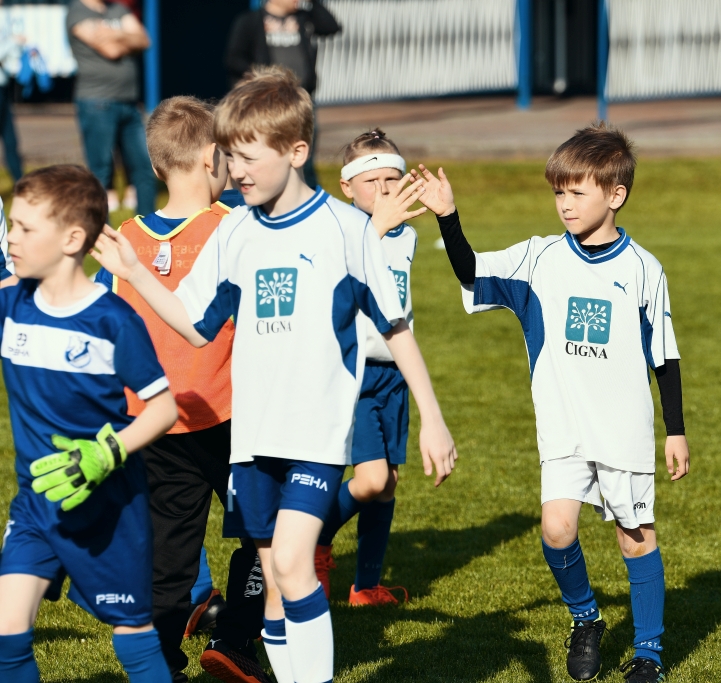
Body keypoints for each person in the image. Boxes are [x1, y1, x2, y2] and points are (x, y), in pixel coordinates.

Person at [91, 66, 458, 683]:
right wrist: (135, 272)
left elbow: (395, 327)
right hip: (248, 438)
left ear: (296, 151)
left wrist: (433, 419)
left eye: (248, 156)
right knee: (275, 570)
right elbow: (195, 326)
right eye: (230, 156)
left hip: (312, 431)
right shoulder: (234, 232)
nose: (236, 170)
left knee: (288, 561)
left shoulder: (345, 228)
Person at [414, 122, 689, 683]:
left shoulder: (643, 269)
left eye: (577, 192)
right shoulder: (538, 258)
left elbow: (665, 356)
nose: (564, 203)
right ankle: (586, 619)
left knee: (635, 539)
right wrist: (448, 216)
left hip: (623, 430)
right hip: (563, 428)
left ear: (616, 195)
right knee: (557, 529)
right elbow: (472, 270)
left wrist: (676, 429)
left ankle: (649, 654)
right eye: (558, 192)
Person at [93, 96, 269, 683]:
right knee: (268, 534)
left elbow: (100, 325)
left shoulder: (123, 239)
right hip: (231, 415)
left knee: (169, 554)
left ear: (155, 165)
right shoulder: (234, 228)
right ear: (213, 159)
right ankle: (235, 639)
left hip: (156, 421)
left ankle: (163, 661)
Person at [0, 165, 178, 682]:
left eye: (26, 228)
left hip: (108, 509)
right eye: (11, 224)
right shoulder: (12, 304)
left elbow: (163, 408)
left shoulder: (113, 321)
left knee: (133, 639)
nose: (11, 238)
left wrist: (106, 454)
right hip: (37, 503)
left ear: (73, 239)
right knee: (7, 633)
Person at [313, 129, 419, 606]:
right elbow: (332, 279)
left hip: (394, 373)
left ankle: (366, 585)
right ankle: (313, 535)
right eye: (371, 182)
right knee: (372, 479)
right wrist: (373, 228)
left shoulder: (408, 234)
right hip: (352, 372)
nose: (383, 190)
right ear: (347, 187)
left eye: (391, 179)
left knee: (388, 483)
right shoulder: (338, 230)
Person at [225, 0, 341, 189]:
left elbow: (331, 27)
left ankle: (308, 192)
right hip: (267, 100)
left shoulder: (302, 18)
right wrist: (263, 79)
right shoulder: (250, 21)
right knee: (271, 149)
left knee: (304, 154)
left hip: (301, 98)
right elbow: (233, 59)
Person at [66, 0, 156, 216]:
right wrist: (127, 36)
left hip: (129, 102)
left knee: (144, 167)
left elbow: (145, 39)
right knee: (101, 171)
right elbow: (111, 50)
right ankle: (101, 230)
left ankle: (147, 226)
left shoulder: (118, 9)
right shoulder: (77, 12)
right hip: (97, 103)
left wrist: (113, 34)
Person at [0, 3, 23, 182]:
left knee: (11, 141)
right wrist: (14, 42)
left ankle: (21, 186)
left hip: (3, 87)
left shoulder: (5, 16)